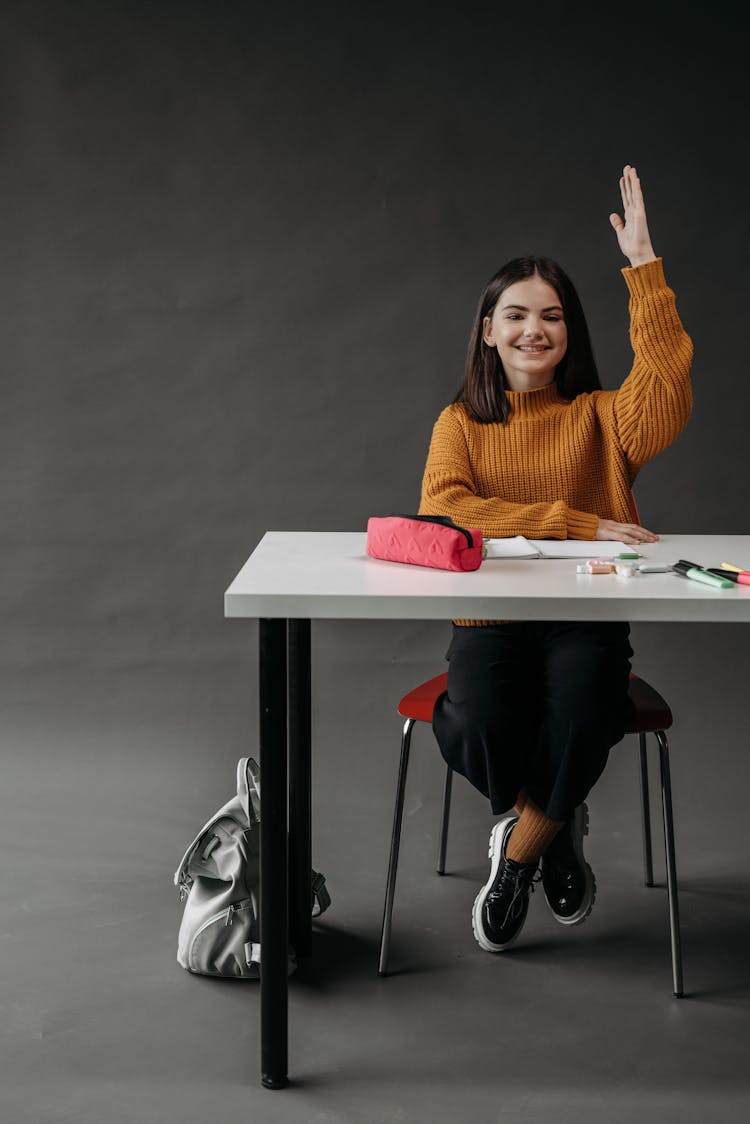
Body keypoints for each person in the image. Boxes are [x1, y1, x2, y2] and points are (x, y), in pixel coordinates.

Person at [418, 165, 694, 953]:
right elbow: (448, 508)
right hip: (493, 616)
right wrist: (573, 521)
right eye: (515, 315)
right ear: (487, 329)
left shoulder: (606, 419)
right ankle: (556, 821)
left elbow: (668, 387)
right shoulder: (459, 423)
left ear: (570, 333)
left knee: (584, 710)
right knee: (472, 721)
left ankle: (520, 851)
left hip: (587, 616)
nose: (533, 330)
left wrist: (645, 271)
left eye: (552, 316)